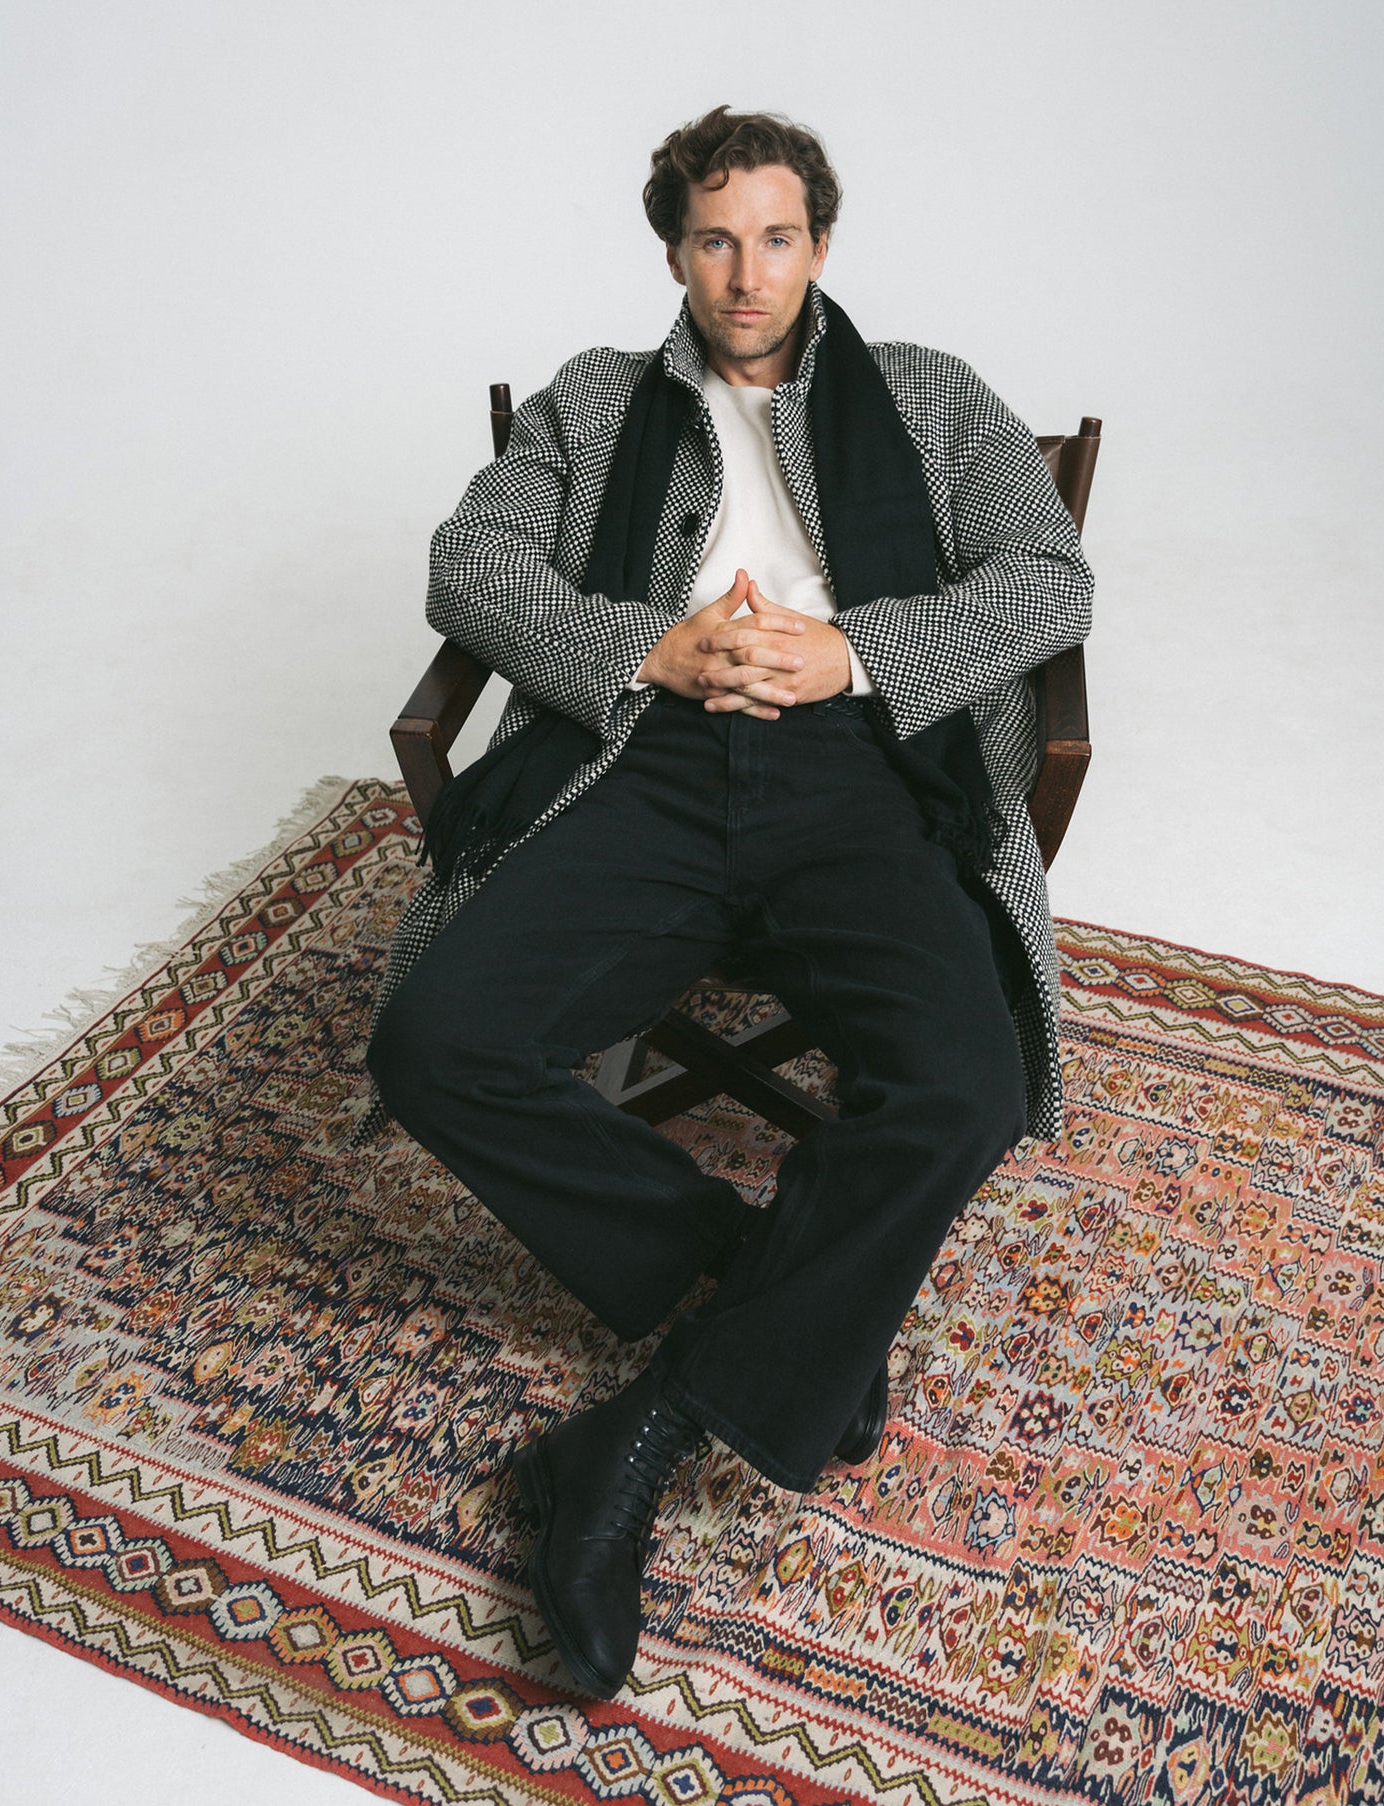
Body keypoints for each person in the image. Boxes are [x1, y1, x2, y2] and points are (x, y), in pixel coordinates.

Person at [365, 105, 1092, 1698]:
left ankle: (633, 1437)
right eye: (713, 239)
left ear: (820, 243)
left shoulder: (931, 396)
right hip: (650, 764)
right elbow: (468, 569)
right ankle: (775, 1284)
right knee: (432, 1042)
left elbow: (1048, 580)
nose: (746, 273)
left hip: (857, 770)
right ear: (673, 251)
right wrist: (651, 649)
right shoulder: (588, 401)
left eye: (776, 237)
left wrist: (857, 654)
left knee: (964, 1080)